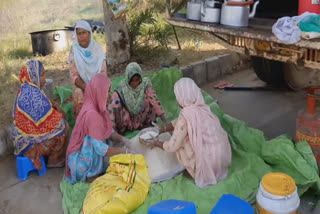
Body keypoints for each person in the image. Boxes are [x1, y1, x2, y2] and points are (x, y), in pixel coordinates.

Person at [150, 78, 232, 188]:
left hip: (208, 164)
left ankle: (196, 169)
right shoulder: (203, 108)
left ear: (181, 97)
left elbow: (172, 146)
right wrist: (163, 129)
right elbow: (179, 124)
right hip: (222, 160)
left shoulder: (186, 114)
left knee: (182, 144)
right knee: (190, 137)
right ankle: (206, 167)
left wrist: (156, 143)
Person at [65, 73, 134, 184]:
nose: (109, 96)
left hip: (84, 153)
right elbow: (99, 148)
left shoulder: (97, 106)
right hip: (79, 163)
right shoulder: (91, 114)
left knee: (106, 141)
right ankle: (90, 175)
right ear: (99, 92)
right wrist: (124, 152)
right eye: (107, 92)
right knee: (94, 142)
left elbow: (109, 132)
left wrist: (123, 139)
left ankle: (97, 168)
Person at [12, 60, 69, 170]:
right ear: (33, 76)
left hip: (20, 142)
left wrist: (53, 106)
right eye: (41, 75)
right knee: (62, 126)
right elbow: (53, 120)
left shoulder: (24, 89)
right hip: (28, 146)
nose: (44, 78)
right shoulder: (33, 94)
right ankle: (54, 160)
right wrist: (61, 112)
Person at [108, 62, 167, 134]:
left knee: (148, 100)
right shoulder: (122, 89)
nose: (135, 83)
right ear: (128, 80)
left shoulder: (144, 85)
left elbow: (155, 101)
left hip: (142, 119)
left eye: (137, 80)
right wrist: (113, 133)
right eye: (132, 81)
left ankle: (147, 124)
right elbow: (111, 109)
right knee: (117, 104)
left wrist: (165, 123)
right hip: (128, 121)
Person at [69, 20, 107, 117]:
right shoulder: (75, 50)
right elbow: (74, 76)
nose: (81, 36)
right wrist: (86, 88)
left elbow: (102, 73)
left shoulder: (97, 48)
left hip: (97, 84)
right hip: (82, 85)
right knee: (79, 94)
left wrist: (95, 88)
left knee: (104, 94)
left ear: (89, 33)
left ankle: (102, 122)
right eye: (79, 34)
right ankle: (83, 125)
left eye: (84, 33)